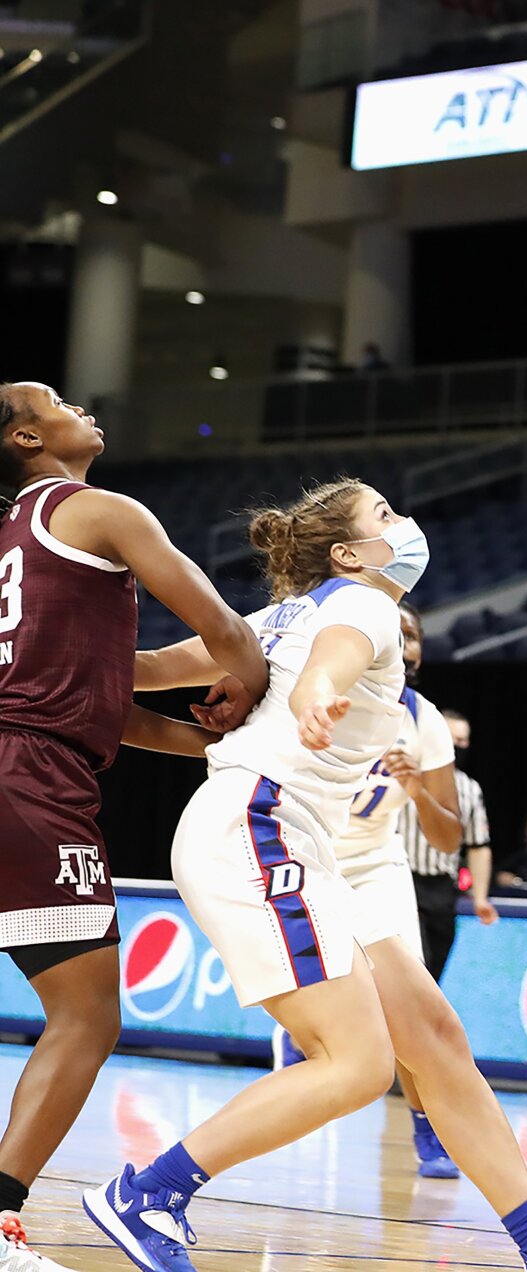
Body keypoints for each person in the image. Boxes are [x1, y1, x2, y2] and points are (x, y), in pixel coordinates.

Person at [82, 478, 527, 1272]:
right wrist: (318, 693)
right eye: (386, 516)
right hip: (262, 828)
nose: (408, 524)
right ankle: (149, 1192)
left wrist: (55, 658)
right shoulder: (363, 603)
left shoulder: (277, 616)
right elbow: (336, 658)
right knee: (357, 1065)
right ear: (349, 552)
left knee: (433, 1036)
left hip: (290, 835)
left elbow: (150, 669)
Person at [0, 381, 268, 1270]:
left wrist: (204, 746)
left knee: (74, 1013)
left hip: (27, 753)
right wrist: (250, 689)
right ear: (30, 436)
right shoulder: (101, 511)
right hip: (30, 778)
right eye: (58, 399)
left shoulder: (14, 543)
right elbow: (219, 624)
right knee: (85, 1017)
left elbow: (104, 697)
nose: (84, 403)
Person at [270, 603, 496, 1182]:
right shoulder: (311, 689)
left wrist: (417, 790)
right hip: (305, 853)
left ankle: (428, 1130)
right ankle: (303, 1040)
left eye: (413, 634)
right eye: (395, 630)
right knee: (319, 997)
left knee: (412, 1012)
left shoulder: (423, 720)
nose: (405, 640)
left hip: (375, 865)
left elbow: (448, 838)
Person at [404, 707, 497, 984]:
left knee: (434, 975)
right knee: (416, 968)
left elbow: (478, 846)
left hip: (443, 889)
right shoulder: (406, 776)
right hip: (404, 881)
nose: (458, 745)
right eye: (451, 737)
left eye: (463, 740)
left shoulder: (470, 789)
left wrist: (480, 898)